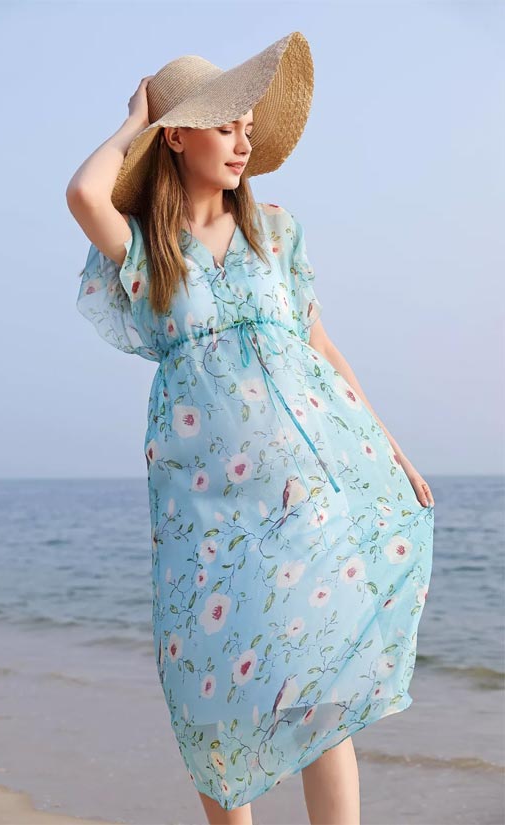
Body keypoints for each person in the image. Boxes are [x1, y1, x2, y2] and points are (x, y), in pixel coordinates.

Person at [66, 32, 435, 825]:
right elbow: (85, 193)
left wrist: (393, 448)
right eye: (225, 125)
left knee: (320, 683)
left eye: (247, 127)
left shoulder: (276, 231)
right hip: (201, 512)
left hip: (301, 497)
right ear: (177, 137)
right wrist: (134, 120)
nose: (243, 142)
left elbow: (321, 348)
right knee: (211, 693)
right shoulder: (149, 247)